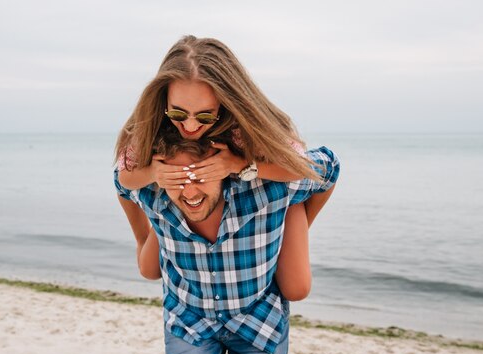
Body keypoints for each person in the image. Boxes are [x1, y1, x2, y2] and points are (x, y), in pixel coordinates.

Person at [114, 136, 339, 354]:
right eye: (178, 180)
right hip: (191, 315)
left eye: (200, 177)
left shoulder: (261, 190)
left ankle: (292, 209)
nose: (190, 191)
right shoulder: (156, 191)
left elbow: (329, 169)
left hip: (258, 317)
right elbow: (121, 181)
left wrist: (300, 222)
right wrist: (141, 235)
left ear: (223, 172)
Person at [115, 35, 335, 300]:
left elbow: (299, 167)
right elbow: (123, 178)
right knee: (148, 270)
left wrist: (242, 165)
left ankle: (287, 218)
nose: (191, 126)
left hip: (263, 187)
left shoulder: (242, 128)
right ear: (164, 102)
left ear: (226, 102)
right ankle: (147, 238)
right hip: (181, 203)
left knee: (297, 289)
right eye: (178, 114)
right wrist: (153, 174)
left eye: (205, 115)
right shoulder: (152, 124)